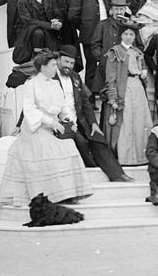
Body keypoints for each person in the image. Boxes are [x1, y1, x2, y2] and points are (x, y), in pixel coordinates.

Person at [0, 51, 92, 206]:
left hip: (55, 126)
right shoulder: (31, 83)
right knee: (47, 150)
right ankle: (47, 195)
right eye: (53, 65)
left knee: (69, 147)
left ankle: (67, 193)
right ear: (43, 66)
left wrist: (68, 119)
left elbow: (63, 106)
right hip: (36, 127)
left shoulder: (55, 84)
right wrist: (50, 122)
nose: (55, 68)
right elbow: (29, 109)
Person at [54, 45, 134, 182]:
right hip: (61, 122)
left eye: (72, 63)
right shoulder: (51, 77)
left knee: (98, 139)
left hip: (79, 120)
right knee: (80, 142)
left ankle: (118, 175)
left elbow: (85, 102)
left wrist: (93, 124)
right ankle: (94, 169)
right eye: (66, 62)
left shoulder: (75, 77)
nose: (69, 65)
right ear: (58, 60)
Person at [103, 21, 153, 166]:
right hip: (123, 88)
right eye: (126, 34)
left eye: (132, 34)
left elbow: (142, 69)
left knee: (139, 121)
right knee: (125, 122)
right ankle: (125, 158)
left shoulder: (137, 52)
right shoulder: (115, 52)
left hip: (137, 87)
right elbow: (110, 78)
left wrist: (144, 74)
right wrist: (112, 97)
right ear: (121, 36)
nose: (129, 37)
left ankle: (140, 157)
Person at [69, 0, 108, 90]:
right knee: (91, 68)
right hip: (90, 37)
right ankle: (90, 103)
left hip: (105, 35)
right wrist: (86, 27)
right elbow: (73, 17)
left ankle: (101, 97)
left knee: (105, 66)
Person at [11, 0, 64, 64]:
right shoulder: (23, 1)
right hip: (30, 38)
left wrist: (58, 22)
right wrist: (49, 25)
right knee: (38, 33)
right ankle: (37, 61)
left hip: (51, 37)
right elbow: (29, 21)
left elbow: (58, 15)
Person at [91, 0, 131, 95]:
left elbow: (138, 46)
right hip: (107, 65)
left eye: (121, 9)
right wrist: (101, 56)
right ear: (111, 10)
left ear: (125, 10)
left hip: (125, 65)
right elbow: (95, 44)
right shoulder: (103, 24)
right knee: (107, 94)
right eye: (116, 9)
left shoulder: (130, 26)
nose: (119, 12)